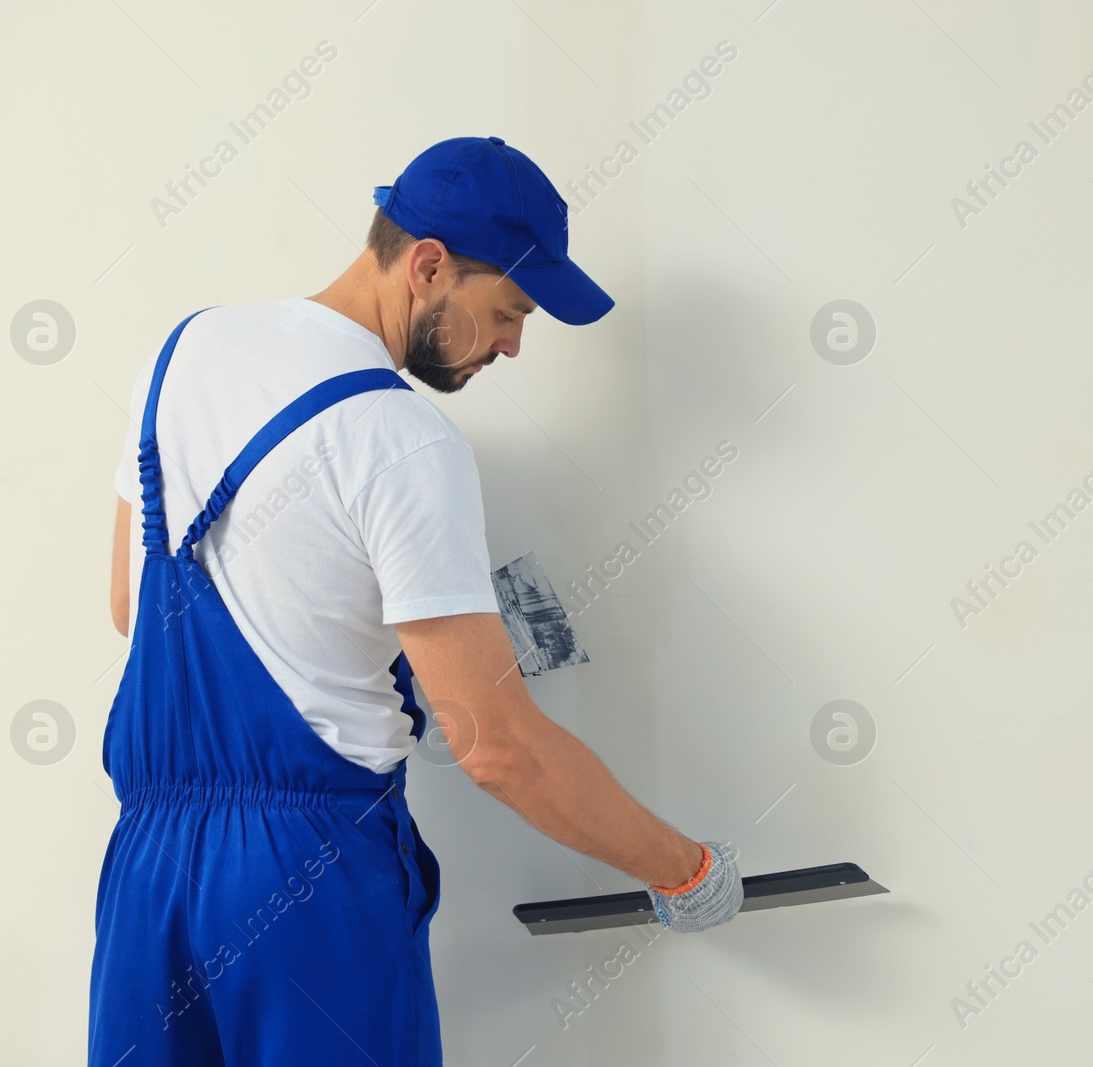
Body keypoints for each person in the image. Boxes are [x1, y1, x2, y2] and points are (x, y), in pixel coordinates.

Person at [89, 135, 742, 1067]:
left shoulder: (187, 350)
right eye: (510, 309)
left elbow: (131, 603)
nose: (515, 342)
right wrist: (686, 870)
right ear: (429, 266)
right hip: (307, 880)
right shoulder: (403, 440)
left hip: (148, 880)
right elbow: (498, 748)